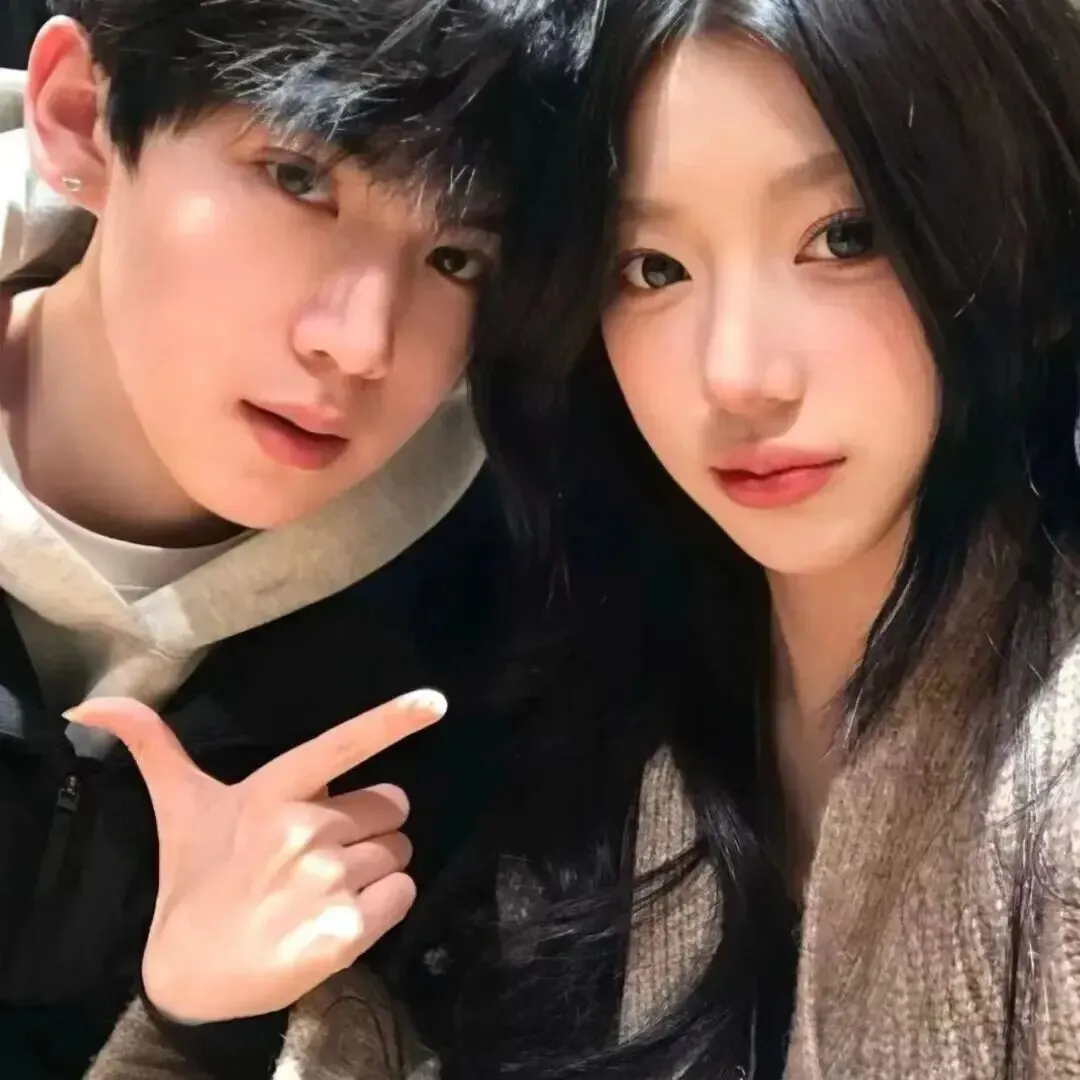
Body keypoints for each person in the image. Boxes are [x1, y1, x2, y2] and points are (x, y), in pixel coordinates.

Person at [217, 0, 1080, 1076]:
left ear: (1034, 249)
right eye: (652, 268)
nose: (737, 375)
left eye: (846, 237)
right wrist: (196, 1022)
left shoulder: (1052, 800)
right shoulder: (578, 694)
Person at [0, 1, 595, 1077]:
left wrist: (193, 1026)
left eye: (457, 257)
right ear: (81, 116)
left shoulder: (492, 615)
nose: (363, 342)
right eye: (297, 178)